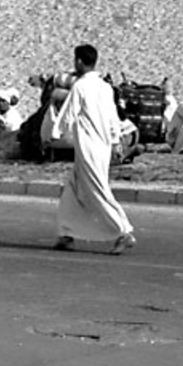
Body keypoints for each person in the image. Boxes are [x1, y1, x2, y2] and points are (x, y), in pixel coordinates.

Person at [52, 44, 136, 255]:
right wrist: (116, 140)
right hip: (102, 146)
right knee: (73, 188)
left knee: (97, 189)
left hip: (89, 147)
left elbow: (68, 113)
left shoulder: (81, 86)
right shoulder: (105, 87)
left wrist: (54, 134)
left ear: (79, 61)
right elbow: (112, 117)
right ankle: (67, 233)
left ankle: (123, 232)